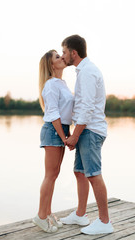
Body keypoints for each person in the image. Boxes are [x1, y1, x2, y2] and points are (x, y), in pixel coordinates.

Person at [60, 35, 114, 235]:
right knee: (80, 172)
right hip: (87, 130)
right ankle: (81, 214)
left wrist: (75, 135)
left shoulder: (88, 72)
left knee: (93, 174)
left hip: (90, 131)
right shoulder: (83, 71)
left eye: (64, 52)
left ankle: (104, 221)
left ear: (73, 53)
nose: (63, 56)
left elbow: (87, 108)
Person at [33, 50, 74, 233]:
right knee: (50, 175)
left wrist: (68, 132)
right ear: (51, 65)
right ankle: (41, 216)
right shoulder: (51, 85)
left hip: (61, 129)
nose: (62, 58)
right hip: (53, 130)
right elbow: (53, 114)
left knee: (55, 174)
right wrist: (64, 136)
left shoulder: (61, 83)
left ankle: (48, 213)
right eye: (57, 57)